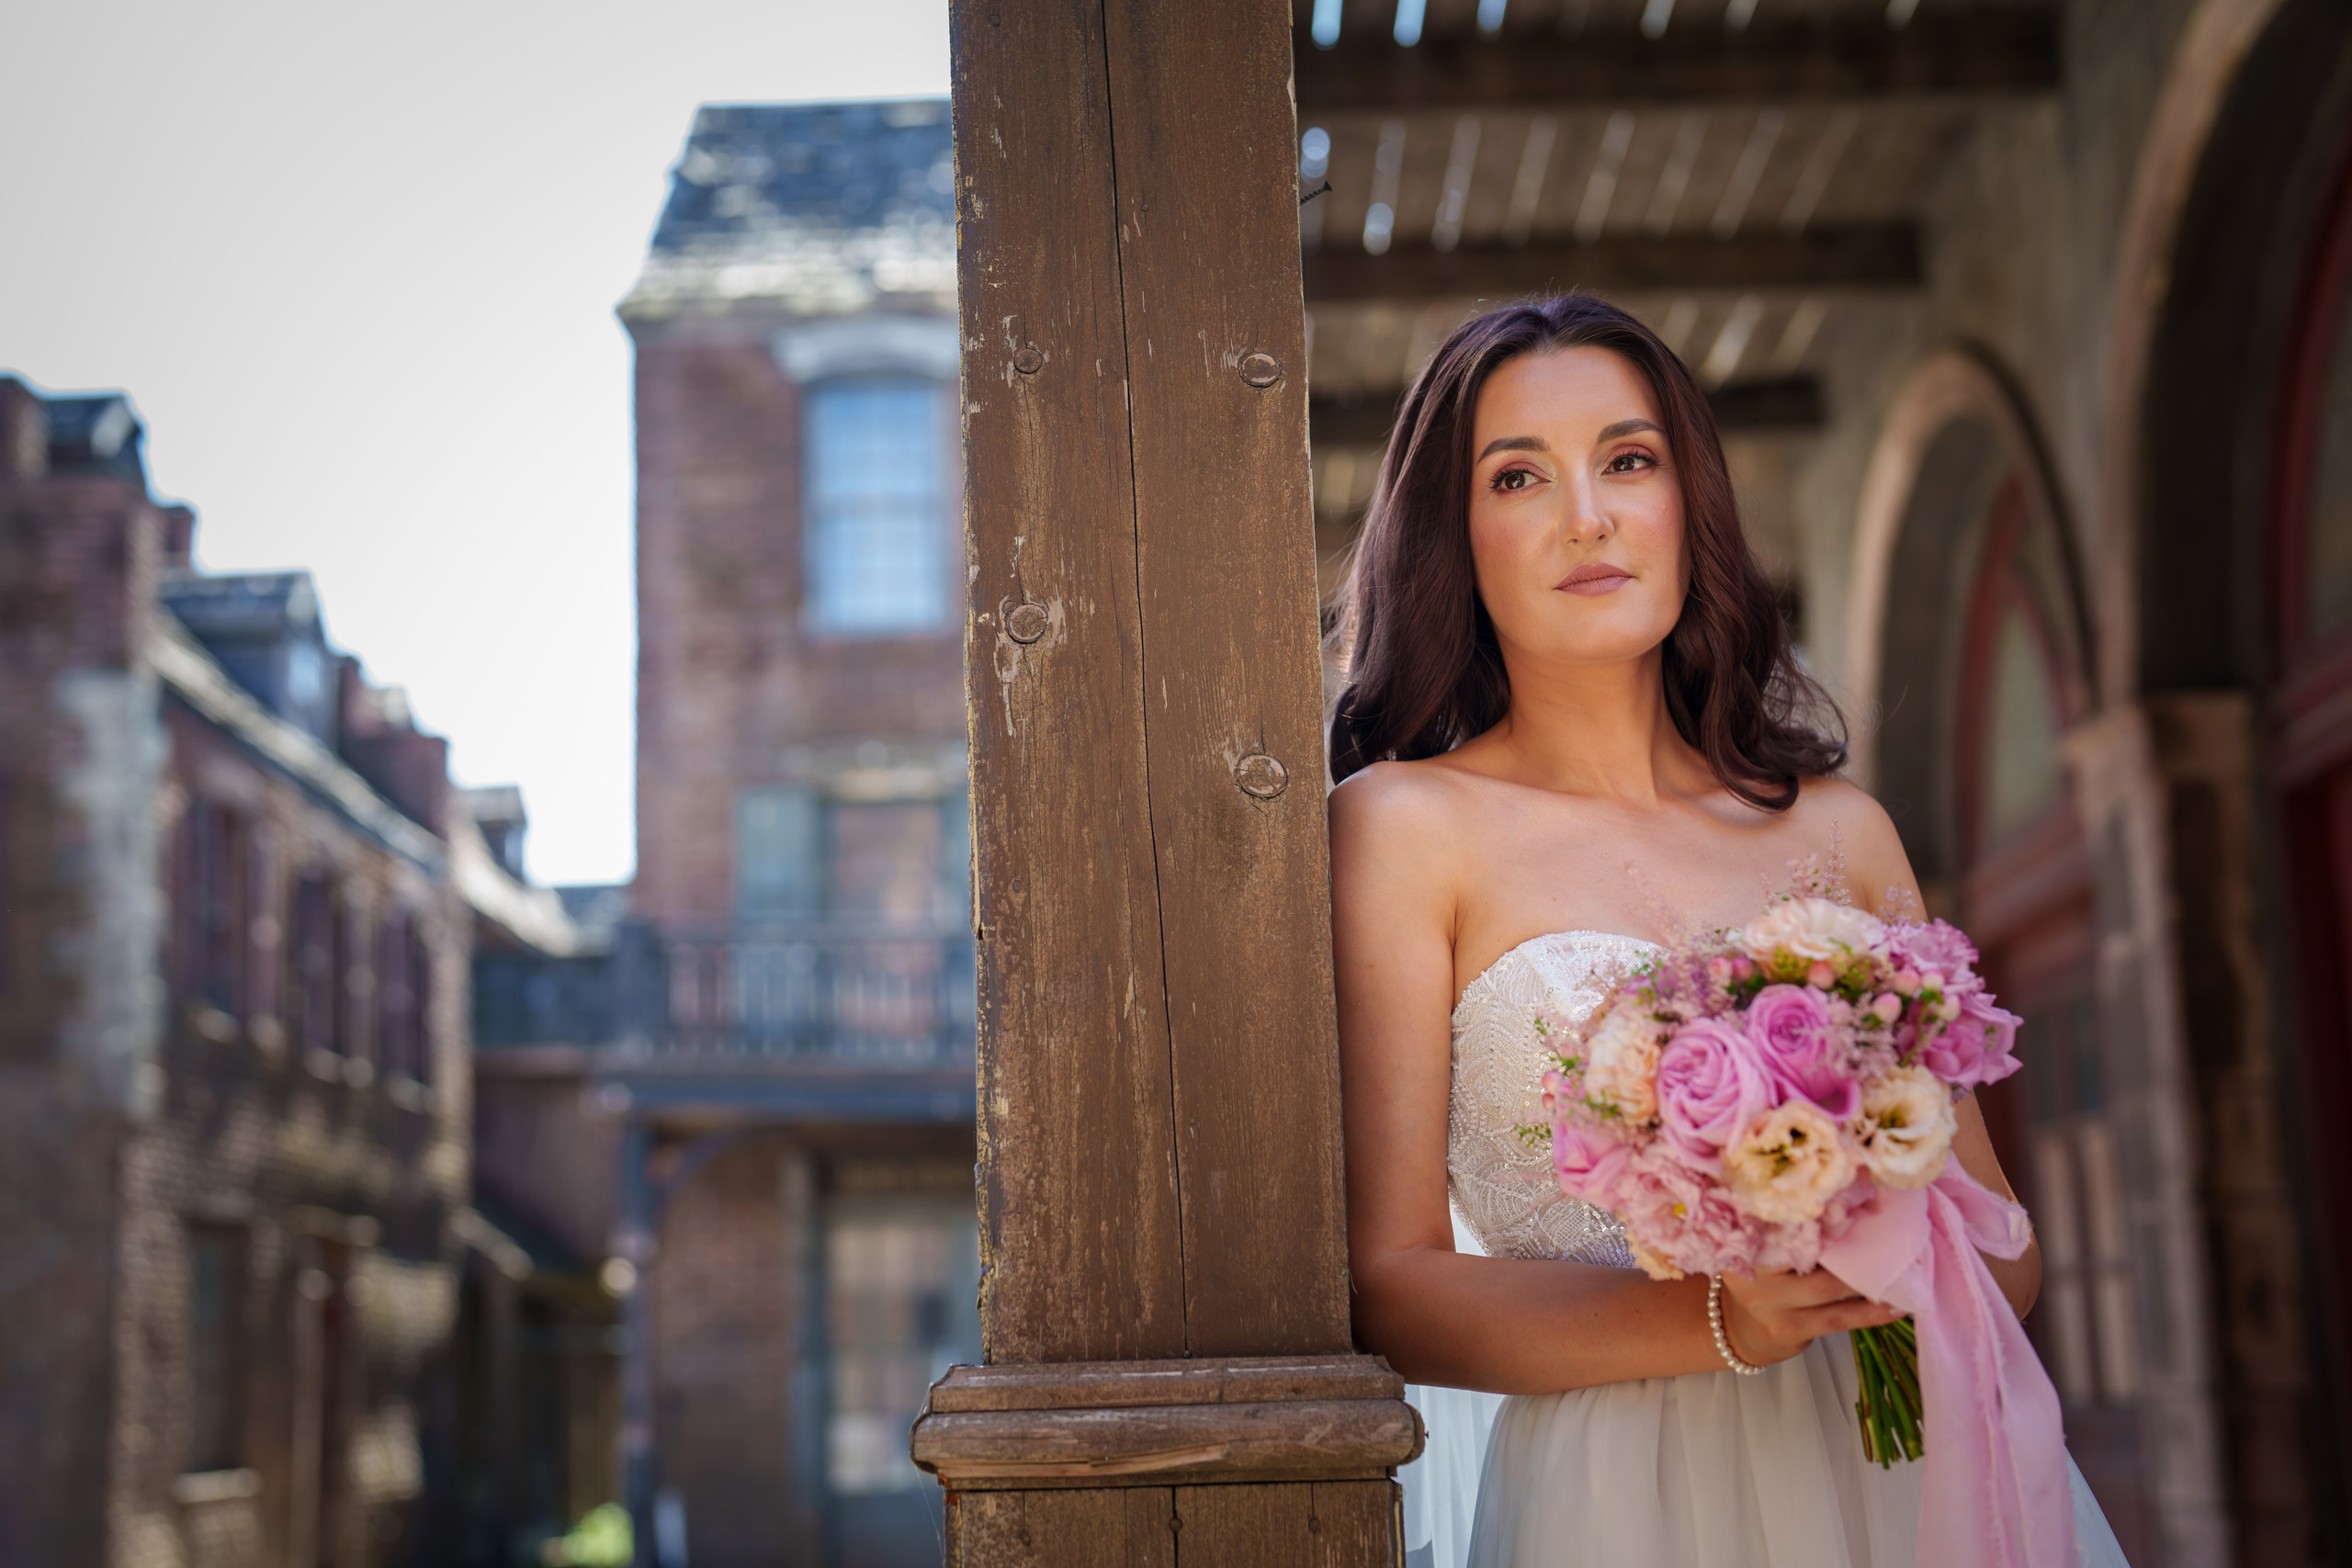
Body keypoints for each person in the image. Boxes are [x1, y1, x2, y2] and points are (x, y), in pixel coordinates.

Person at [1326, 295, 2129, 1567]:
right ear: (1452, 536)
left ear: (1688, 498)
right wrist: (1719, 1317)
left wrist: (1849, 1212)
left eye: (1628, 460)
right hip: (1614, 1503)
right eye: (1519, 476)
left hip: (1903, 1479)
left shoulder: (1843, 831)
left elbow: (2005, 1255)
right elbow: (1394, 1285)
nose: (1587, 517)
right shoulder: (1399, 830)